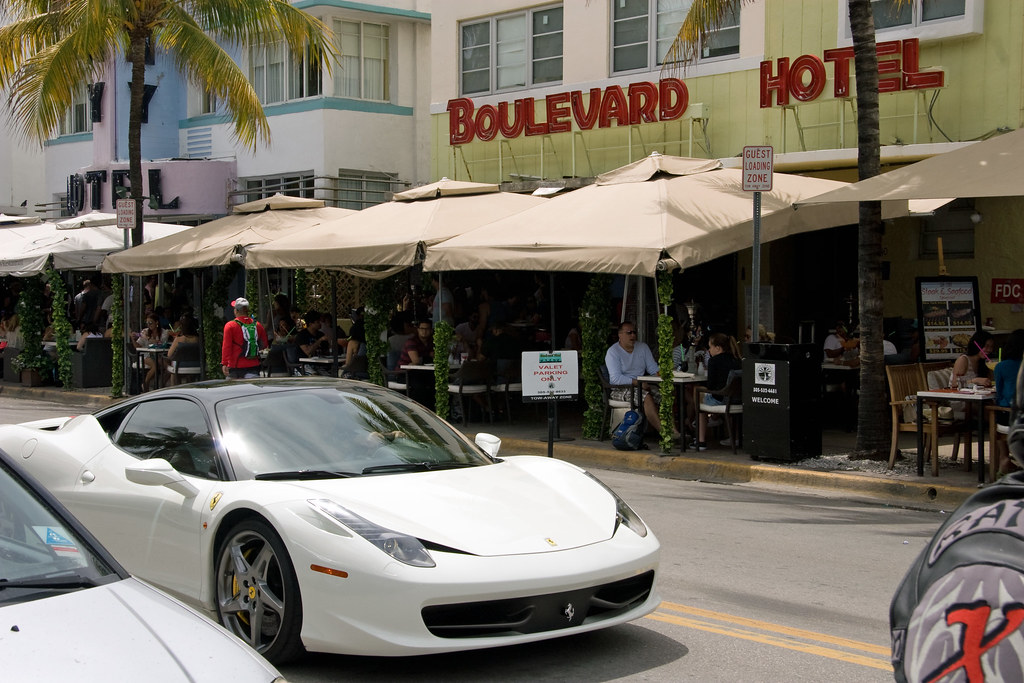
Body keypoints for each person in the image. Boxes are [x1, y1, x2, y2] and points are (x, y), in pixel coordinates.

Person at [604, 321, 677, 441]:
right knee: (646, 397)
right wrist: (637, 382)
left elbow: (653, 369)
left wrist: (667, 374)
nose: (632, 335)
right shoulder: (613, 352)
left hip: (640, 385)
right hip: (620, 389)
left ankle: (673, 430)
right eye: (629, 333)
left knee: (666, 395)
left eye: (634, 332)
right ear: (620, 335)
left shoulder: (642, 347)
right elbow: (615, 379)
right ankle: (664, 433)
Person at [694, 333, 743, 451]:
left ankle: (701, 440)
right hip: (737, 400)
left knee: (698, 391)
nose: (709, 350)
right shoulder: (737, 360)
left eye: (710, 347)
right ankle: (734, 436)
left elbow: (711, 385)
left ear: (718, 348)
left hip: (721, 400)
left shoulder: (714, 361)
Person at [992, 329, 1024, 474]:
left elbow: (999, 392)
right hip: (1020, 416)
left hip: (1007, 417)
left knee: (993, 419)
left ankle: (1004, 457)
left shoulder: (1001, 367)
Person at [220, 297, 267, 380]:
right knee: (253, 391)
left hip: (235, 366)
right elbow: (264, 345)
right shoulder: (258, 325)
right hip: (254, 365)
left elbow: (226, 347)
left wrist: (224, 363)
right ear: (247, 310)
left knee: (234, 391)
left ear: (236, 311)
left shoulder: (230, 326)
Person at [135, 313, 170, 391]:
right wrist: (133, 338)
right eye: (147, 323)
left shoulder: (164, 332)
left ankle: (161, 385)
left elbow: (160, 343)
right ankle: (145, 383)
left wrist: (147, 338)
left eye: (150, 323)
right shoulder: (145, 331)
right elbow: (138, 346)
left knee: (169, 368)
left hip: (159, 355)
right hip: (146, 355)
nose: (149, 325)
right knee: (155, 367)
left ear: (156, 322)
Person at [165, 315, 200, 386]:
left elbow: (169, 354)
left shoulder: (179, 339)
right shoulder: (199, 339)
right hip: (197, 365)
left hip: (180, 366)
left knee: (171, 365)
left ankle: (174, 387)